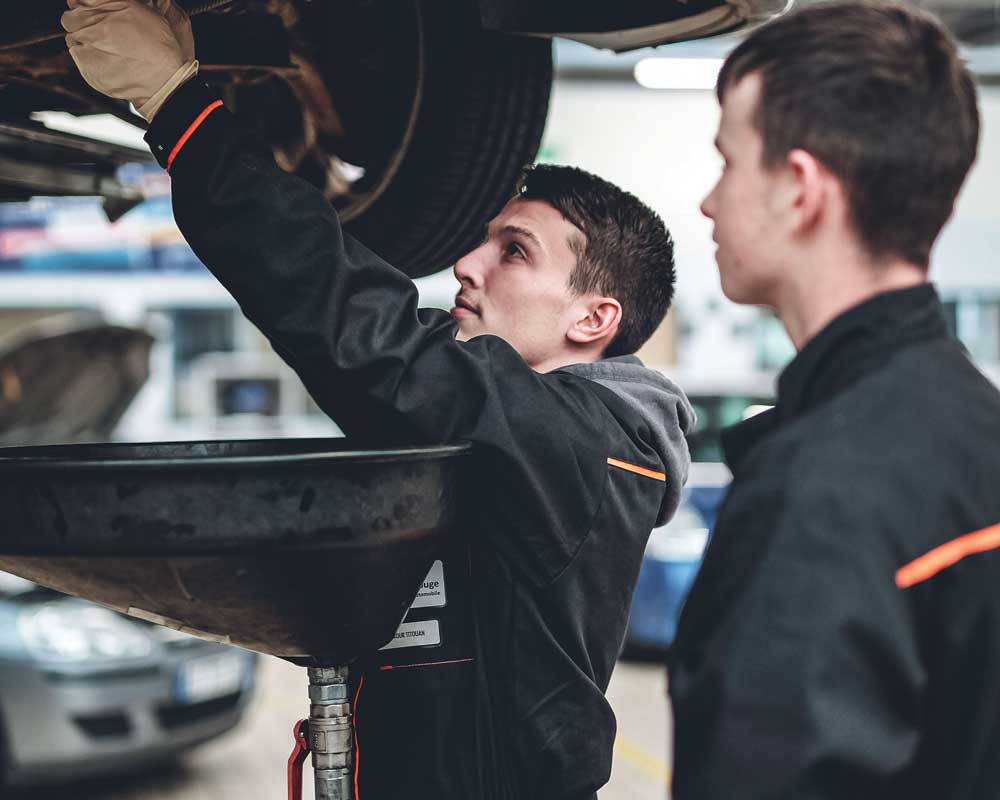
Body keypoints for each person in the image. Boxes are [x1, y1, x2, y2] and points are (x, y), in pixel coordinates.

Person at [60, 1, 693, 797]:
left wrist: (180, 109)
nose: (466, 264)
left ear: (593, 319)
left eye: (514, 251)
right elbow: (353, 312)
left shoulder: (588, 449)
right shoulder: (526, 436)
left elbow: (358, 329)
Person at [668, 2, 1000, 797]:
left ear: (801, 189)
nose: (711, 201)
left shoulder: (818, 494)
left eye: (728, 161)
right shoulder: (977, 428)